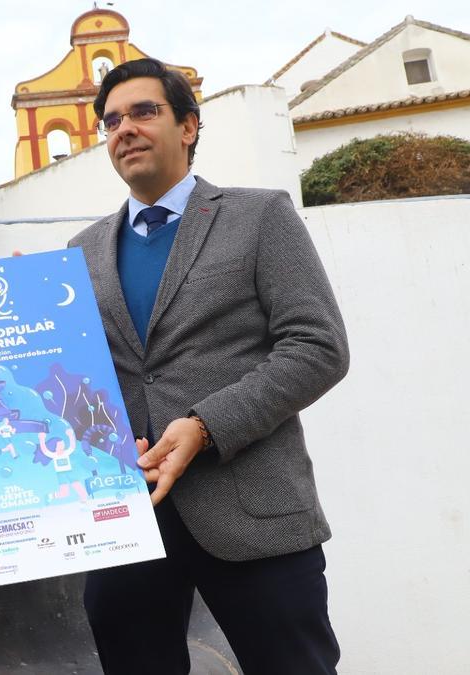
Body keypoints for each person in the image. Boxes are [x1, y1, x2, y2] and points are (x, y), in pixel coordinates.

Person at [68, 59, 350, 675]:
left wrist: (204, 425)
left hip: (253, 508)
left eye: (145, 112)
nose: (125, 129)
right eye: (111, 120)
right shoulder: (80, 251)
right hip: (129, 521)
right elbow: (77, 377)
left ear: (190, 125)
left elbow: (318, 346)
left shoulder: (260, 215)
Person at [37, 430, 88, 504]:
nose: (63, 446)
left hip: (70, 472)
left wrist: (70, 436)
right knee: (64, 494)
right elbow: (45, 450)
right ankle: (49, 496)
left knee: (81, 491)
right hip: (61, 474)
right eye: (60, 445)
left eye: (63, 444)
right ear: (55, 447)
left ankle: (83, 505)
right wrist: (41, 439)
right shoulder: (53, 455)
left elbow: (72, 446)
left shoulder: (66, 452)